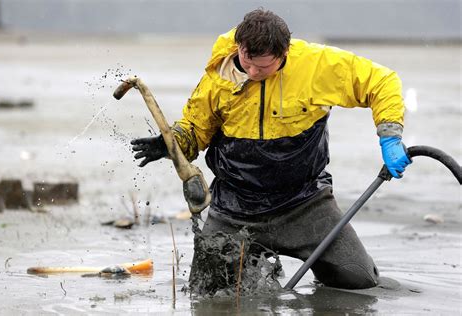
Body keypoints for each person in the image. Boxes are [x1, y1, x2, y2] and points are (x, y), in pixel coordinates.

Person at [131, 9, 411, 289]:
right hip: (234, 208)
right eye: (247, 62)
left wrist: (390, 137)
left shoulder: (317, 65)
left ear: (284, 53)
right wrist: (170, 144)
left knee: (357, 280)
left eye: (263, 68)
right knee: (206, 291)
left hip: (305, 202)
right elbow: (195, 129)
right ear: (240, 47)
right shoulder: (219, 75)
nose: (252, 73)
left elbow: (382, 82)